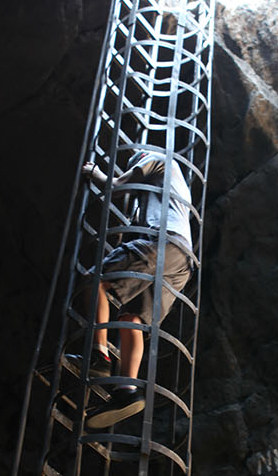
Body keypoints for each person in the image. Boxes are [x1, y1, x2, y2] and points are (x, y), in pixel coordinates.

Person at [77, 146, 195, 429]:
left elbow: (117, 185)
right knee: (132, 319)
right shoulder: (172, 188)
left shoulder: (156, 159)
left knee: (96, 282)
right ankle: (127, 391)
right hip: (182, 260)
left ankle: (99, 354)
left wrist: (95, 173)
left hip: (163, 241)